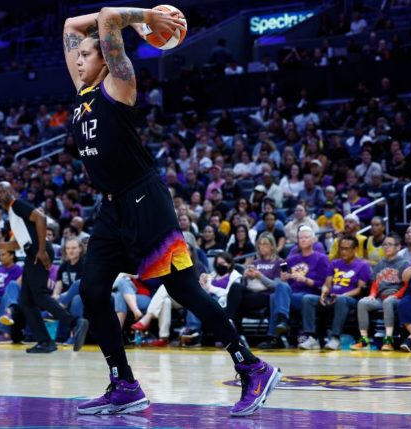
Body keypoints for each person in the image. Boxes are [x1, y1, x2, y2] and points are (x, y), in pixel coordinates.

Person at [63, 7, 280, 417]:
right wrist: (98, 32)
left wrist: (145, 18)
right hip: (112, 208)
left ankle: (252, 367)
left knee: (184, 290)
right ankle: (124, 383)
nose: (78, 59)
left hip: (145, 199)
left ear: (105, 60)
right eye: (79, 55)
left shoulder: (118, 85)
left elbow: (109, 17)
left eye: (88, 55)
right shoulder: (83, 93)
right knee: (92, 289)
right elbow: (72, 26)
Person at [0, 182, 90, 353]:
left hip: (37, 250)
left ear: (12, 191)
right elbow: (19, 243)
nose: (0, 194)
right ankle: (45, 341)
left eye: (3, 190)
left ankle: (75, 322)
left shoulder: (17, 205)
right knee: (26, 301)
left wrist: (40, 250)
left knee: (39, 295)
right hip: (31, 251)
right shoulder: (12, 213)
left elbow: (41, 218)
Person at [299, 235, 370, 350]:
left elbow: (360, 289)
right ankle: (312, 338)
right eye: (341, 248)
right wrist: (323, 293)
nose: (343, 251)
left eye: (347, 248)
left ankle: (335, 338)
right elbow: (327, 284)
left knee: (341, 300)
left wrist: (342, 295)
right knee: (307, 298)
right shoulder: (334, 263)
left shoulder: (363, 265)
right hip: (331, 297)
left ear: (356, 249)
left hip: (350, 299)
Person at [352, 233, 409, 351]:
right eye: (384, 245)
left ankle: (388, 339)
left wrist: (396, 295)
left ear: (398, 247)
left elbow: (406, 286)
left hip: (398, 298)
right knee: (362, 302)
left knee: (388, 302)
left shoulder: (404, 264)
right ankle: (364, 339)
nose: (386, 247)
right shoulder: (380, 263)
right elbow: (375, 283)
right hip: (381, 297)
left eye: (390, 244)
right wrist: (372, 295)